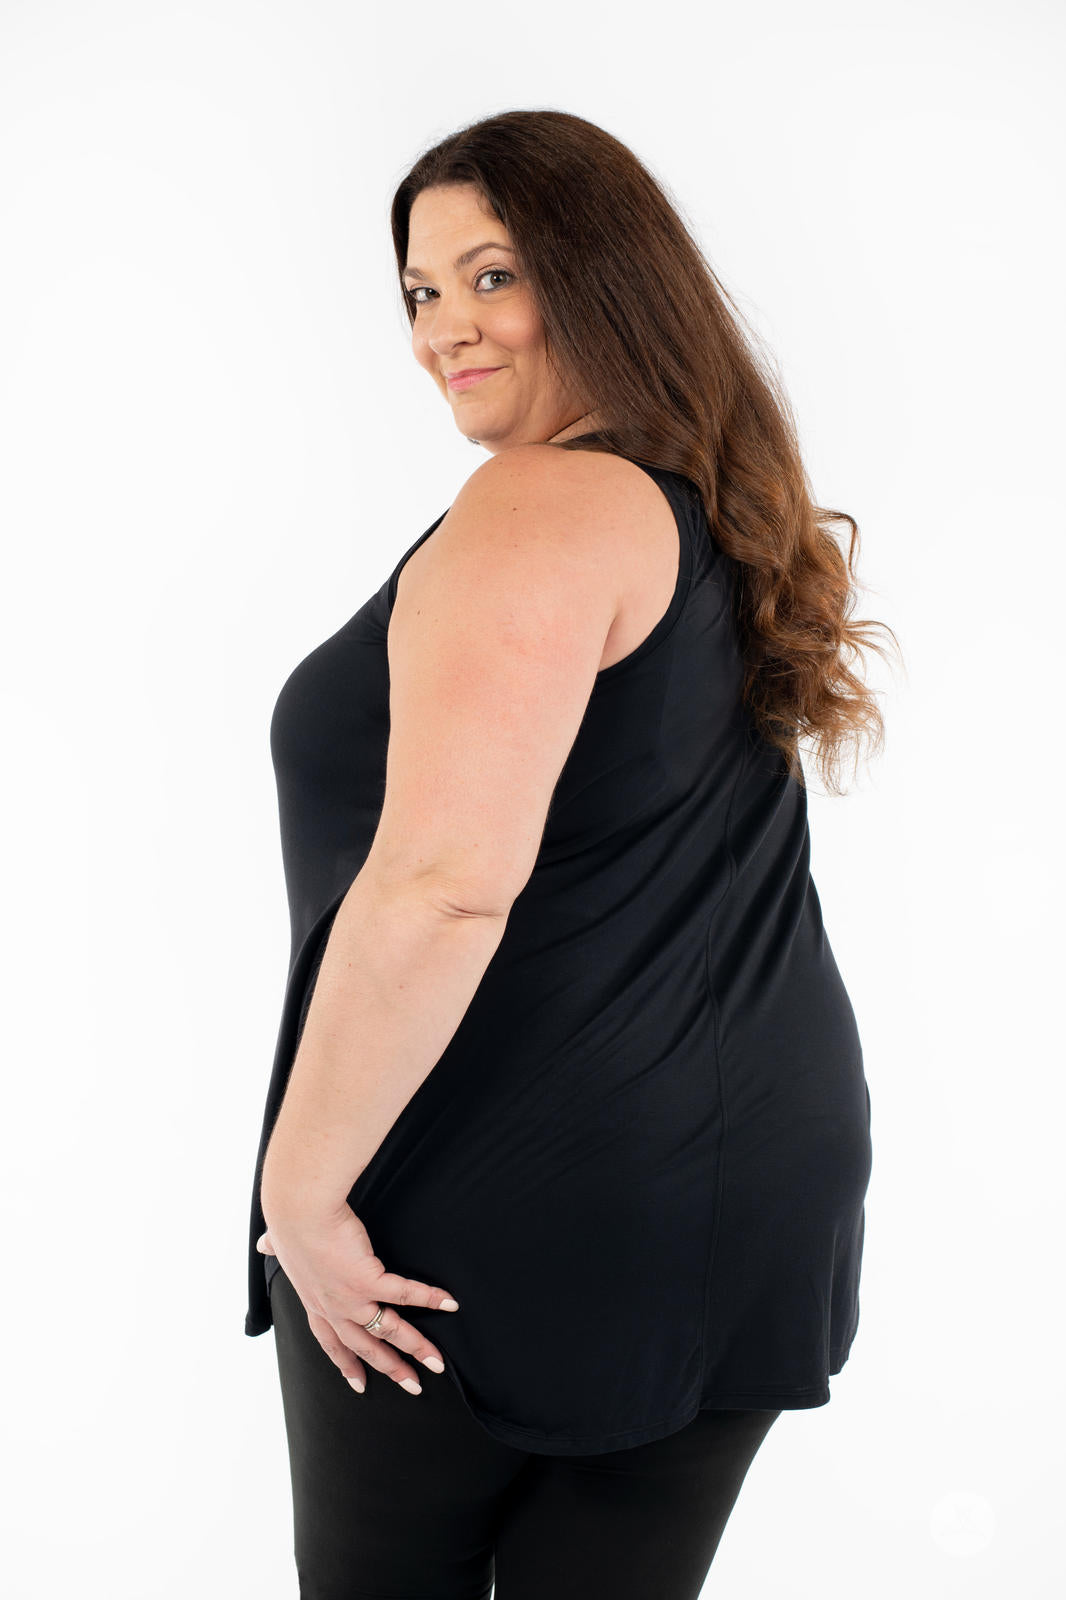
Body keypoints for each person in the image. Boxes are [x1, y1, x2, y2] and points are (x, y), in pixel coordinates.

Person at [243, 109, 897, 1600]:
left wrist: (299, 1188)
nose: (444, 329)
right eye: (420, 292)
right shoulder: (715, 511)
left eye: (493, 276)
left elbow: (442, 886)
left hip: (506, 1178)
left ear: (603, 278)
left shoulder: (544, 501)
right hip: (750, 1171)